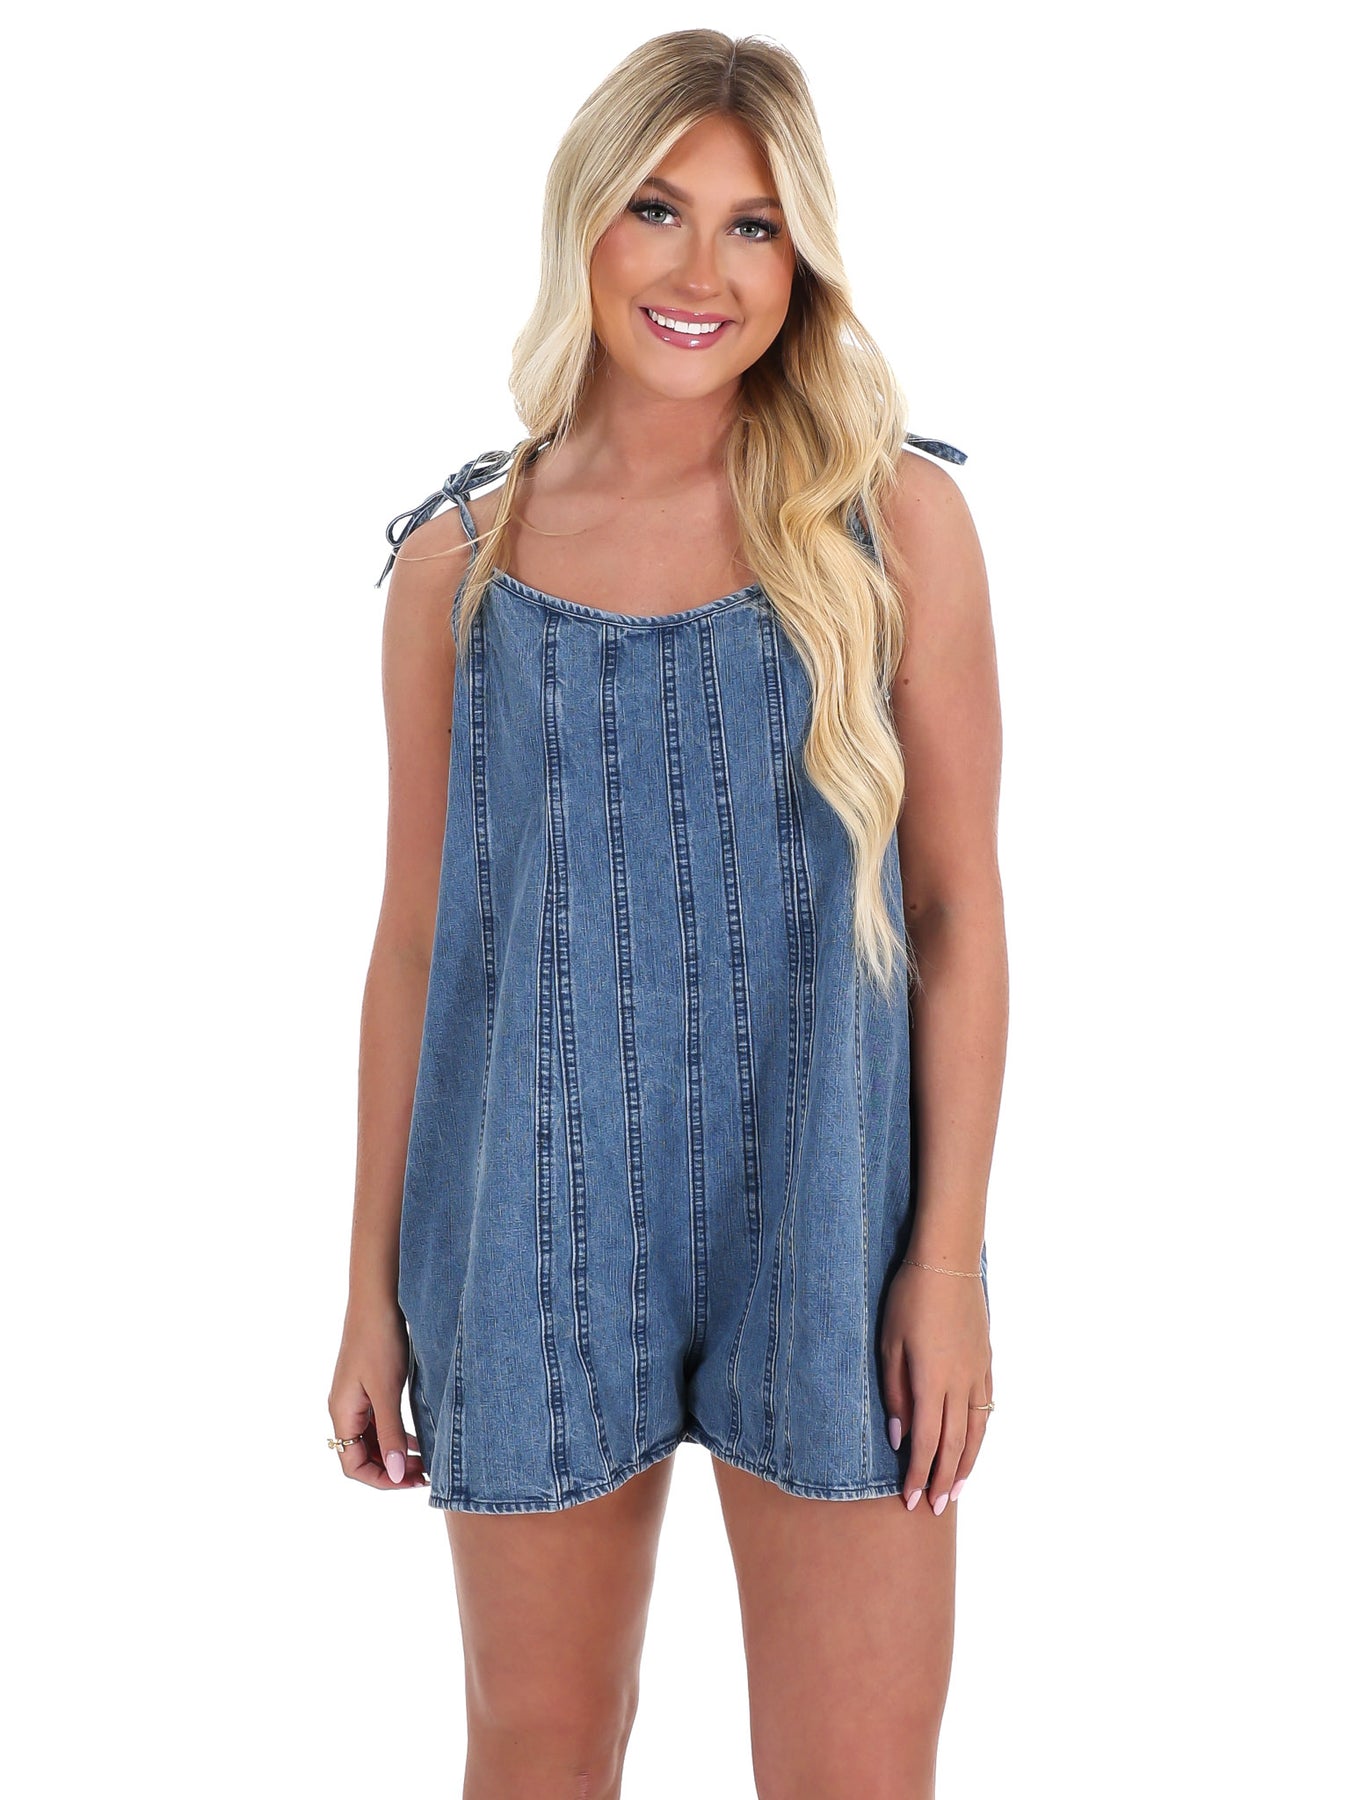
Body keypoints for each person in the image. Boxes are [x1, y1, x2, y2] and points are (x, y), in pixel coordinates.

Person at [328, 28, 1006, 1800]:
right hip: (526, 1225)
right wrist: (368, 1294)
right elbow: (417, 948)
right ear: (582, 222)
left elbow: (955, 910)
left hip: (833, 1221)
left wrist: (944, 1263)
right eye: (657, 210)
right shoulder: (455, 569)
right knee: (536, 1752)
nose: (702, 271)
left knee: (856, 1774)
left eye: (754, 226)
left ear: (804, 259)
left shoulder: (893, 526)